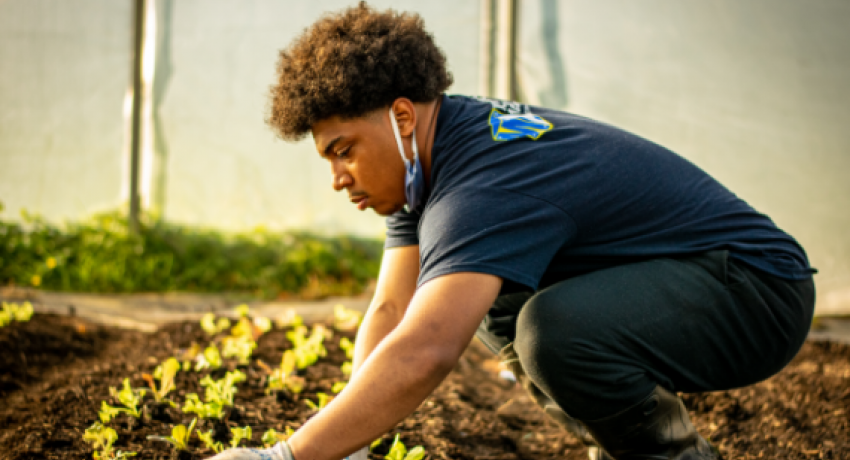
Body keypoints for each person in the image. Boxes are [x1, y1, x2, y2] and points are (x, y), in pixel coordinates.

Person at [210, 3, 816, 460]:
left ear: (400, 116)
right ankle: (629, 445)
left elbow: (425, 348)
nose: (338, 178)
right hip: (700, 277)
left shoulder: (482, 183)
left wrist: (285, 457)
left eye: (343, 151)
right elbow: (393, 308)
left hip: (756, 290)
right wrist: (349, 447)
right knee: (496, 304)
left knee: (551, 331)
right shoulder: (428, 159)